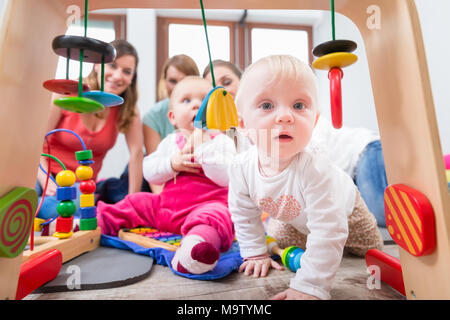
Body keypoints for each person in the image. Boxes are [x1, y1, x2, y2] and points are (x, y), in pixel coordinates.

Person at [228, 55, 383, 300]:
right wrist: (255, 252)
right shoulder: (240, 168)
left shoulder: (315, 168)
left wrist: (309, 285)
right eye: (267, 105)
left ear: (315, 120)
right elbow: (244, 215)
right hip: (294, 216)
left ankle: (332, 255)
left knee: (370, 249)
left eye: (299, 106)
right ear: (243, 125)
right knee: (278, 239)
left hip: (347, 211)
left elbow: (329, 230)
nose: (285, 116)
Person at [203, 59, 388, 227]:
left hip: (364, 155)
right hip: (344, 190)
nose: (222, 92)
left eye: (226, 82)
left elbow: (303, 162)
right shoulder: (241, 140)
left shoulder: (295, 126)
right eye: (213, 88)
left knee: (385, 217)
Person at [97, 76, 237, 274]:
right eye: (186, 100)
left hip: (204, 209)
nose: (197, 105)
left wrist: (204, 149)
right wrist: (172, 163)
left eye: (204, 100)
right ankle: (96, 222)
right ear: (172, 117)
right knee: (135, 201)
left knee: (218, 217)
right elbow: (150, 172)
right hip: (167, 210)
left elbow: (227, 176)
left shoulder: (221, 142)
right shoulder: (171, 142)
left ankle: (194, 250)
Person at [36, 39, 143, 219]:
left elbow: (137, 153)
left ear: (133, 77)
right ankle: (37, 208)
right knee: (23, 192)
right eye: (112, 66)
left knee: (73, 206)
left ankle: (40, 211)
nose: (118, 76)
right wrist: (44, 178)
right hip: (46, 173)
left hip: (81, 184)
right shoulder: (67, 91)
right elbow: (37, 141)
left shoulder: (128, 108)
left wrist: (131, 202)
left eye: (127, 71)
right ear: (96, 66)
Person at [141, 54, 200, 194]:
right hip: (159, 177)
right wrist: (164, 202)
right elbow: (154, 169)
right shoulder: (153, 117)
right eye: (172, 81)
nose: (178, 87)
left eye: (184, 80)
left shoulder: (206, 113)